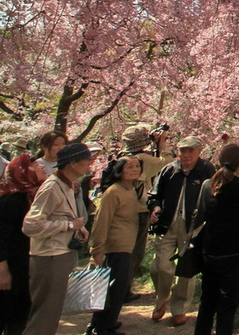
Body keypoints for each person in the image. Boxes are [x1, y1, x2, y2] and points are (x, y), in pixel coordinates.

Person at [21, 142, 93, 335]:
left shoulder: (66, 185)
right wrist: (69, 226)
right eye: (86, 160)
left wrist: (79, 228)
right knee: (44, 317)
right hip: (50, 258)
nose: (90, 164)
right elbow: (30, 225)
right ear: (72, 163)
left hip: (61, 254)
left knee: (51, 316)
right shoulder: (52, 187)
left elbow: (62, 216)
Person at [194, 144, 239, 335]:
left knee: (207, 301)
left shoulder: (209, 184)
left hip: (209, 251)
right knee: (227, 304)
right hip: (233, 253)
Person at [147, 135, 215, 326]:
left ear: (199, 152)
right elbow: (154, 194)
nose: (186, 155)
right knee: (161, 266)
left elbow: (215, 194)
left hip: (193, 226)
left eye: (190, 150)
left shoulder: (206, 170)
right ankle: (161, 300)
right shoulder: (170, 170)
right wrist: (155, 208)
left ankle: (179, 309)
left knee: (186, 270)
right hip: (168, 223)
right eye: (182, 150)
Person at [87, 157, 144, 335]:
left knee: (116, 289)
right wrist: (97, 250)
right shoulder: (113, 192)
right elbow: (101, 221)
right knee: (113, 290)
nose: (134, 169)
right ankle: (103, 327)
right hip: (115, 247)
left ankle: (103, 323)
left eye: (137, 166)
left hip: (126, 246)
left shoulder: (130, 189)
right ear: (120, 170)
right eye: (129, 167)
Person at [119, 125, 172, 302]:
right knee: (135, 252)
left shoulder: (123, 156)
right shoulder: (142, 159)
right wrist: (162, 144)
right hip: (138, 210)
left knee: (124, 250)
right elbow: (169, 162)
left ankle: (119, 287)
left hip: (122, 209)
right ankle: (122, 290)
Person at [0, 155, 46, 335]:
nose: (41, 167)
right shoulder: (11, 201)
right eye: (34, 165)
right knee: (6, 312)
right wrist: (2, 269)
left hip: (27, 265)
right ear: (22, 172)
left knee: (20, 316)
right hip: (10, 267)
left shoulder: (34, 195)